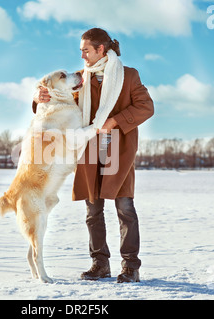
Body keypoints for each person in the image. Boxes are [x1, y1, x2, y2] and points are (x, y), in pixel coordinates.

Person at [33, 28, 154, 283]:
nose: (83, 56)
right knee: (92, 211)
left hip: (118, 153)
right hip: (87, 152)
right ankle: (100, 264)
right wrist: (37, 97)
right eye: (81, 52)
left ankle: (131, 267)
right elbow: (54, 92)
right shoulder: (80, 79)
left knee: (125, 208)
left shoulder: (128, 75)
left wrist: (116, 121)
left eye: (86, 51)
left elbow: (146, 107)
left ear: (101, 49)